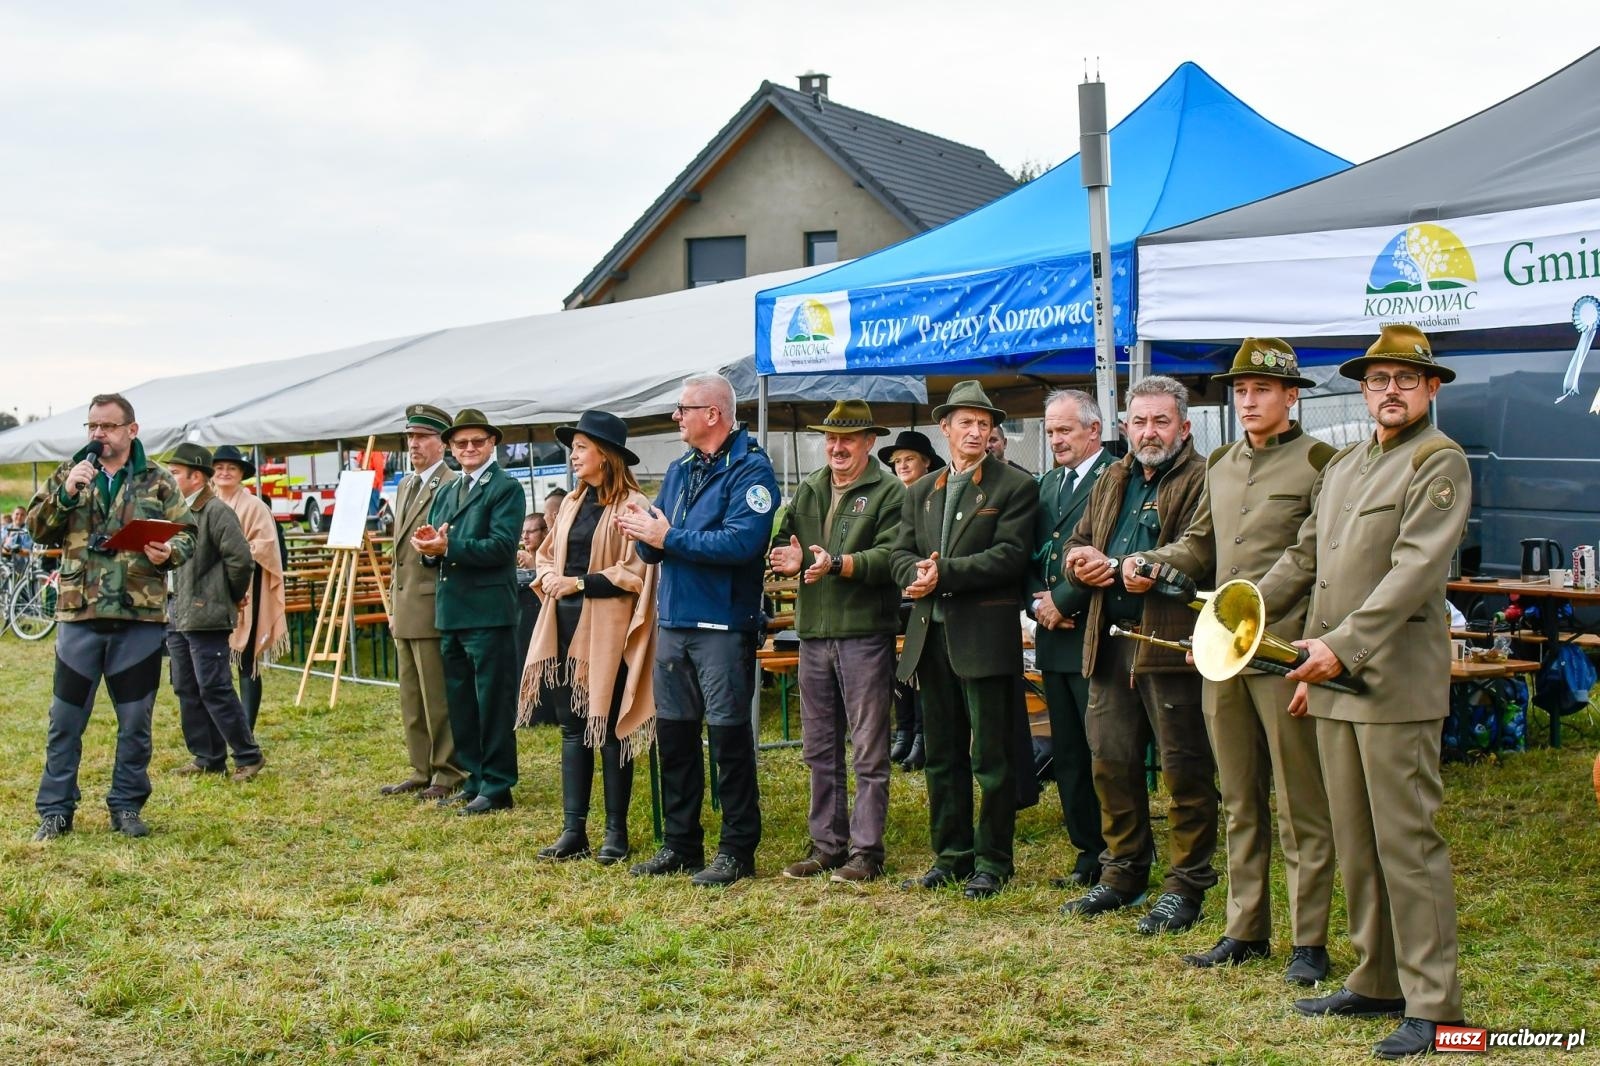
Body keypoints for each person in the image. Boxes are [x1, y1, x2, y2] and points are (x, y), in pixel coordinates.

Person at [1256, 325, 1470, 1058]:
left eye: (1406, 380)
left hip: (1392, 684)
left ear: (1430, 388)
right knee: (1355, 841)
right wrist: (1240, 616)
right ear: (1363, 390)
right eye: (1378, 380)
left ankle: (1435, 1005)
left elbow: (1414, 572)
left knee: (1407, 844)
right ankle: (1377, 978)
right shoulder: (1346, 465)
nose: (1390, 391)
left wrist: (1338, 648)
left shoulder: (1438, 460)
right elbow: (1304, 560)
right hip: (1333, 681)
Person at [1132, 341, 1337, 982]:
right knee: (1240, 798)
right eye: (1240, 391)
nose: (1248, 401)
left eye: (1261, 390)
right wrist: (1150, 562)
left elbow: (1316, 561)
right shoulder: (1221, 463)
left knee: (1300, 804)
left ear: (1291, 395)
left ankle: (1309, 941)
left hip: (1282, 651)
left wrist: (1292, 637)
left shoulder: (1320, 462)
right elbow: (1201, 544)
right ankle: (1245, 928)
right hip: (1224, 650)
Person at [1058, 374, 1217, 934]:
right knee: (1111, 763)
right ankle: (1122, 874)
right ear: (1125, 426)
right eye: (1140, 421)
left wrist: (1142, 565)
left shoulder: (1204, 477)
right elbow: (1076, 540)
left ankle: (1186, 886)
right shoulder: (1112, 476)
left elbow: (1199, 550)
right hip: (1109, 641)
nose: (1149, 432)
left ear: (1184, 427)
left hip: (1170, 645)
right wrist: (1078, 563)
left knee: (1184, 771)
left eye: (1161, 421)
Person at [617, 372, 778, 887]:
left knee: (728, 740)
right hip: (675, 621)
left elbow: (741, 545)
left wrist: (666, 535)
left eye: (683, 408)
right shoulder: (679, 468)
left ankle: (737, 849)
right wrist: (642, 529)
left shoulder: (751, 469)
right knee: (675, 738)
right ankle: (681, 844)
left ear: (713, 414)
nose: (675, 417)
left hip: (722, 625)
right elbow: (656, 546)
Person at [890, 380, 1038, 900]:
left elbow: (1010, 556)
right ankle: (950, 856)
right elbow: (899, 552)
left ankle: (993, 862)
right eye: (966, 423)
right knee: (942, 754)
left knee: (992, 759)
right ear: (945, 428)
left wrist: (943, 574)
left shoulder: (1015, 485)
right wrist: (913, 574)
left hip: (984, 638)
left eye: (984, 424)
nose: (976, 432)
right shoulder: (920, 491)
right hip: (930, 637)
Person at [27, 393, 197, 841]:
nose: (98, 434)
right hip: (79, 614)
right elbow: (37, 529)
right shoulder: (70, 472)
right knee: (65, 722)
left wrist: (168, 552)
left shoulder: (157, 479)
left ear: (131, 430)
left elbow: (187, 535)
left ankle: (126, 806)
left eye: (107, 426)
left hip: (138, 617)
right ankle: (56, 811)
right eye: (92, 426)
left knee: (135, 723)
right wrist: (66, 494)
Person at [770, 400, 906, 883]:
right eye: (830, 438)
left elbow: (892, 556)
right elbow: (783, 539)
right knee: (819, 746)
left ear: (870, 442)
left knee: (868, 747)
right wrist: (784, 555)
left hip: (864, 633)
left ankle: (866, 852)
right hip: (814, 634)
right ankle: (828, 845)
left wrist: (837, 564)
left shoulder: (889, 491)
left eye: (848, 438)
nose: (837, 447)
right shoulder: (809, 487)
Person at [521, 411, 658, 865]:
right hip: (562, 625)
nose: (573, 456)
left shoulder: (633, 506)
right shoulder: (571, 504)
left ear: (606, 454)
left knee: (611, 728)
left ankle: (616, 833)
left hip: (608, 630)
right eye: (573, 448)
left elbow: (635, 572)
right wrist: (549, 577)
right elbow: (546, 556)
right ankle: (573, 830)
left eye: (581, 447)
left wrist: (578, 583)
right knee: (572, 728)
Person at [413, 408, 523, 815]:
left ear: (492, 443)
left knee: (491, 703)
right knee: (461, 703)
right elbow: (438, 547)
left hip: (489, 612)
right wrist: (430, 548)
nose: (470, 448)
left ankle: (498, 785)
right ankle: (475, 778)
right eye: (461, 443)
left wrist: (448, 548)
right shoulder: (447, 491)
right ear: (451, 448)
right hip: (453, 611)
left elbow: (502, 547)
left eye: (478, 441)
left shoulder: (505, 488)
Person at [1026, 389, 1114, 891]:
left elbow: (1112, 551)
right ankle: (1088, 852)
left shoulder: (1114, 478)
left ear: (1093, 430)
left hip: (1095, 631)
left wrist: (1062, 600)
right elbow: (1029, 554)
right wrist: (1035, 605)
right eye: (1050, 431)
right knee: (1070, 753)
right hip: (1053, 636)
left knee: (1105, 750)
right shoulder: (1048, 484)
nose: (1056, 440)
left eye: (1065, 430)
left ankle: (1119, 850)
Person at [164, 444, 264, 781]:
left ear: (196, 477)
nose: (170, 478)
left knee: (214, 687)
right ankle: (207, 757)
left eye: (175, 473)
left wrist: (228, 597)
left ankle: (248, 755)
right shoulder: (175, 510)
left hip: (206, 613)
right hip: (177, 610)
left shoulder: (216, 511)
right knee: (186, 686)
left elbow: (241, 561)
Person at [383, 404, 465, 800]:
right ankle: (421, 767)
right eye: (410, 436)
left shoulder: (450, 484)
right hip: (406, 604)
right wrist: (392, 604)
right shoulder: (406, 485)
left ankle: (447, 771)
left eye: (422, 437)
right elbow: (397, 555)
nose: (413, 444)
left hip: (432, 602)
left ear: (442, 443)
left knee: (437, 696)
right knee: (411, 695)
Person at [209, 445, 288, 731]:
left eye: (231, 468)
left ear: (241, 473)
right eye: (219, 468)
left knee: (246, 661)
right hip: (210, 591)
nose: (224, 473)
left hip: (247, 590)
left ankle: (246, 730)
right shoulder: (206, 503)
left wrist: (231, 554)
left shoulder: (255, 506)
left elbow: (266, 546)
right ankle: (219, 726)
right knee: (212, 663)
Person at [878, 430, 944, 771]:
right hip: (895, 594)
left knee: (919, 664)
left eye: (909, 460)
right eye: (897, 461)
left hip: (924, 594)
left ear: (926, 462)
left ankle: (922, 734)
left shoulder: (935, 496)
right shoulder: (892, 498)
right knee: (895, 662)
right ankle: (903, 731)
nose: (902, 466)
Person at [513, 513, 553, 725]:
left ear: (544, 533)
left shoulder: (552, 555)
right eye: (523, 532)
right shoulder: (520, 559)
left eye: (531, 531)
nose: (525, 536)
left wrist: (535, 567)